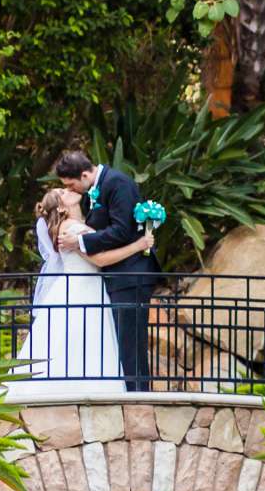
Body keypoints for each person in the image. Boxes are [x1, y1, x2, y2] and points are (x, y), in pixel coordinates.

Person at [15, 185, 154, 395]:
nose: (67, 189)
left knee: (79, 340)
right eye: (62, 192)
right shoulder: (71, 229)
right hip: (82, 288)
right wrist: (138, 245)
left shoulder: (78, 225)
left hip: (82, 287)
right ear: (62, 207)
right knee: (79, 338)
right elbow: (100, 258)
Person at [55, 146, 163, 392]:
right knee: (124, 341)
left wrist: (81, 241)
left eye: (71, 185)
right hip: (120, 275)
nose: (71, 191)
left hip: (132, 274)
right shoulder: (99, 187)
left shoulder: (117, 183)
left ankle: (139, 399)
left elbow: (122, 230)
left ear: (84, 175)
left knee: (131, 342)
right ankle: (132, 394)